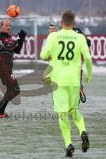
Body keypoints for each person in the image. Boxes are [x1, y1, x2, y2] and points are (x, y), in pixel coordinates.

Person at [40, 10, 92, 158]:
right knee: (74, 110)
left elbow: (43, 55)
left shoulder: (53, 36)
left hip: (58, 80)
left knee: (62, 114)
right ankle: (82, 131)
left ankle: (68, 144)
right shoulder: (80, 37)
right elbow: (87, 58)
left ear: (61, 23)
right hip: (74, 80)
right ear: (73, 23)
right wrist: (89, 75)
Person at [0, 19, 27, 119]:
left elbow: (17, 50)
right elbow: (2, 48)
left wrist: (21, 40)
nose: (9, 27)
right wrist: (16, 41)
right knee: (15, 89)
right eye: (7, 25)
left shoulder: (9, 37)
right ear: (1, 26)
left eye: (10, 26)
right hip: (3, 67)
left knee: (14, 90)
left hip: (8, 67)